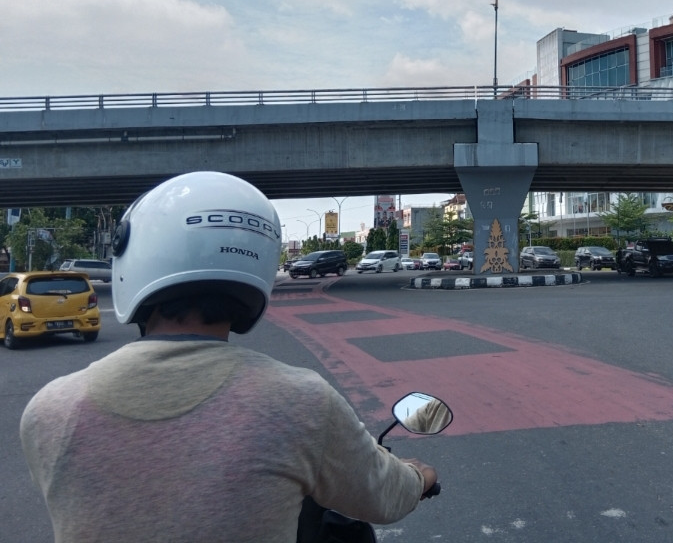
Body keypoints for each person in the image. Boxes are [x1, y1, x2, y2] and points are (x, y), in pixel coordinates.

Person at [20, 171, 437, 543]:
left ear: (134, 253)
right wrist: (420, 475)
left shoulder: (49, 412)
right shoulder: (300, 403)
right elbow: (387, 498)